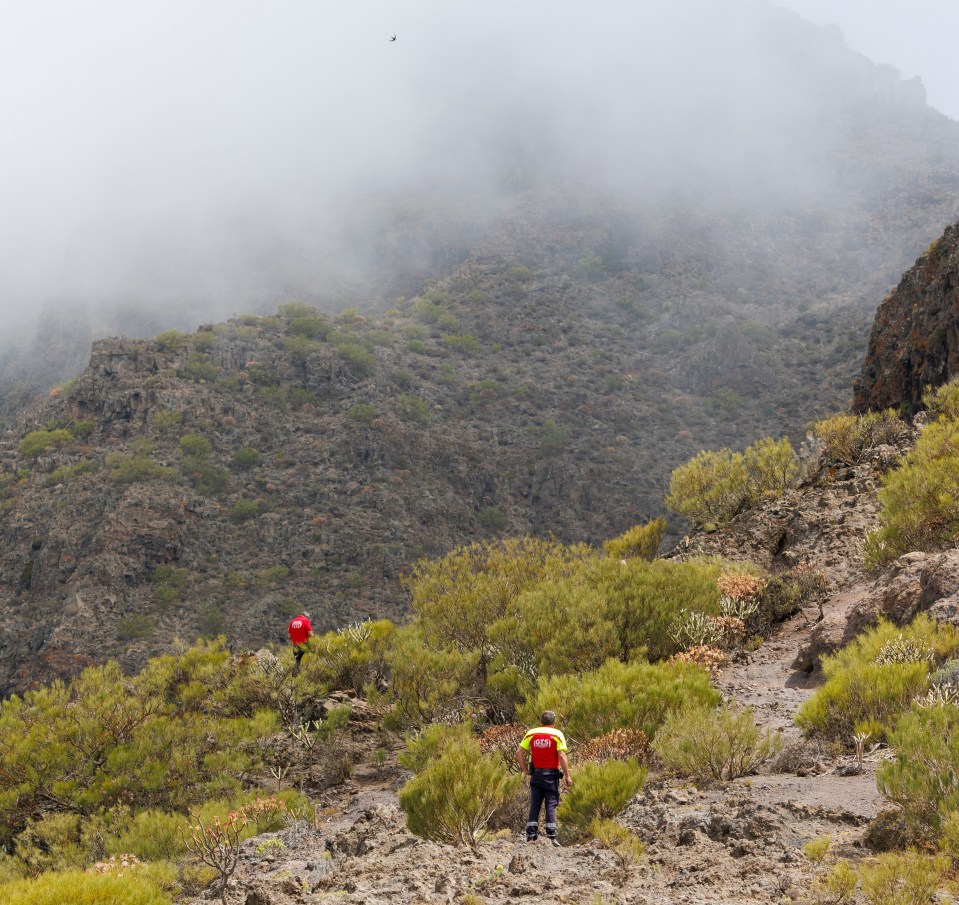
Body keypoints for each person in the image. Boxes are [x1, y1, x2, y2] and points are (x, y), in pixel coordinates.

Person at [515, 710, 572, 845]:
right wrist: (567, 776)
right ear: (554, 722)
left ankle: (531, 836)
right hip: (551, 776)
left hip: (536, 774)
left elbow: (519, 753)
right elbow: (562, 756)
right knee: (550, 804)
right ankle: (551, 837)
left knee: (535, 803)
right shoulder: (557, 734)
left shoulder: (532, 733)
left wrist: (525, 770)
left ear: (540, 721)